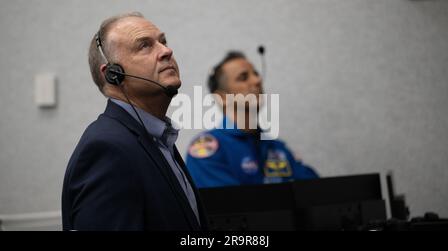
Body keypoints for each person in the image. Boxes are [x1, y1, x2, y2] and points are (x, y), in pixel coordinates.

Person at [62, 12, 207, 230]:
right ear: (113, 74)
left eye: (163, 41)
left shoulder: (158, 139)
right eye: (144, 46)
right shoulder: (106, 150)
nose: (167, 51)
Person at [186, 51, 319, 188]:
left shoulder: (276, 146)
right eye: (243, 77)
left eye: (256, 73)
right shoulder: (205, 149)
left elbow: (316, 193)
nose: (257, 80)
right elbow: (231, 206)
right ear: (222, 98)